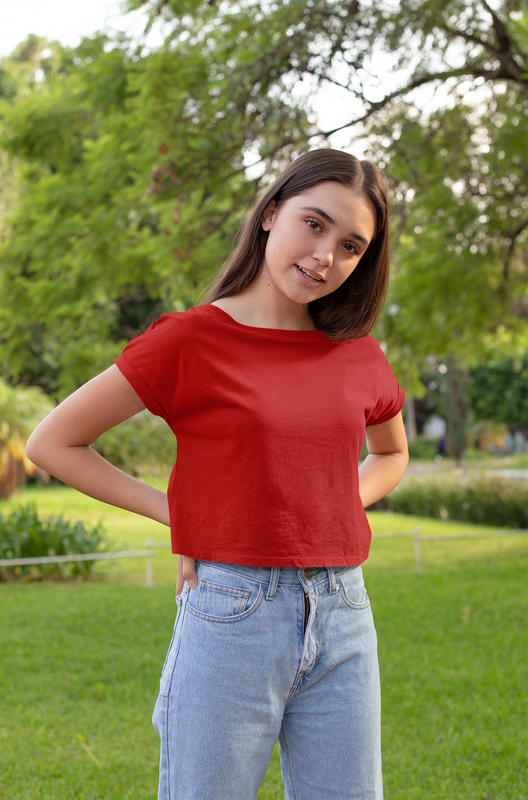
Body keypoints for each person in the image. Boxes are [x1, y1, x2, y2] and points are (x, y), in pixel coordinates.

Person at [26, 148, 409, 800]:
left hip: (344, 611)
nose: (325, 256)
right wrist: (178, 513)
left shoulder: (357, 353)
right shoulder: (189, 341)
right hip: (232, 611)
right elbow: (55, 442)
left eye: (350, 246)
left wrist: (339, 501)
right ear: (268, 214)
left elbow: (392, 453)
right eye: (312, 225)